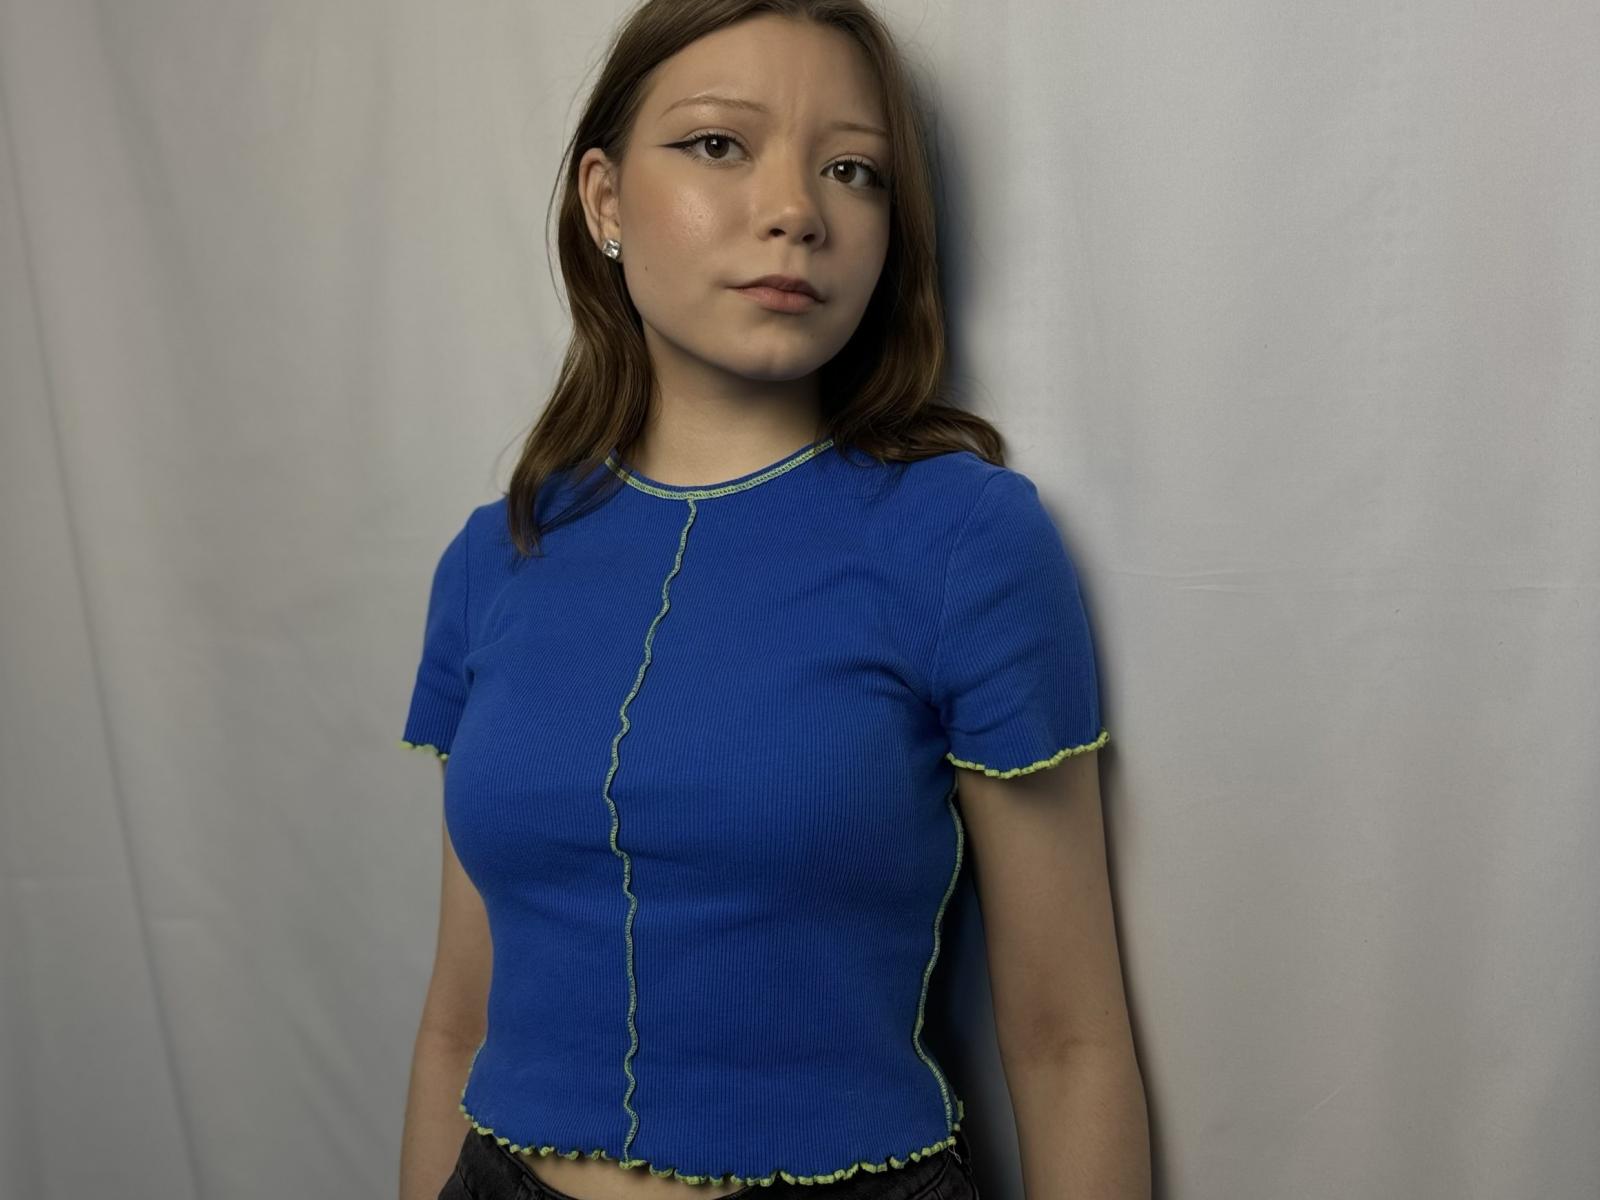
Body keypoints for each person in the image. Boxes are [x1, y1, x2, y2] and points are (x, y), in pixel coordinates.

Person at [397, 3, 1148, 1200]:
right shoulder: (495, 557)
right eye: (718, 145)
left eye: (852, 170)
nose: (796, 209)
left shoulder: (966, 538)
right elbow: (457, 1022)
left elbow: (1068, 1043)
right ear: (602, 199)